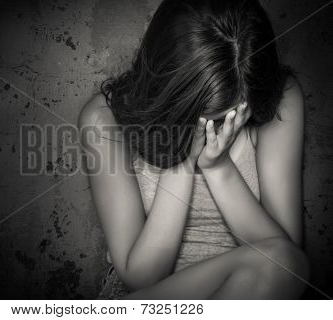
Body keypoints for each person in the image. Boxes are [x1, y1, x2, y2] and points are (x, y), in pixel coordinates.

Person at [78, 0, 309, 299]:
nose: (220, 126)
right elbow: (141, 277)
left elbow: (287, 266)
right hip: (151, 302)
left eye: (233, 114)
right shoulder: (104, 118)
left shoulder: (281, 99)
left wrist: (218, 167)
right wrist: (182, 163)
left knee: (283, 264)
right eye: (206, 118)